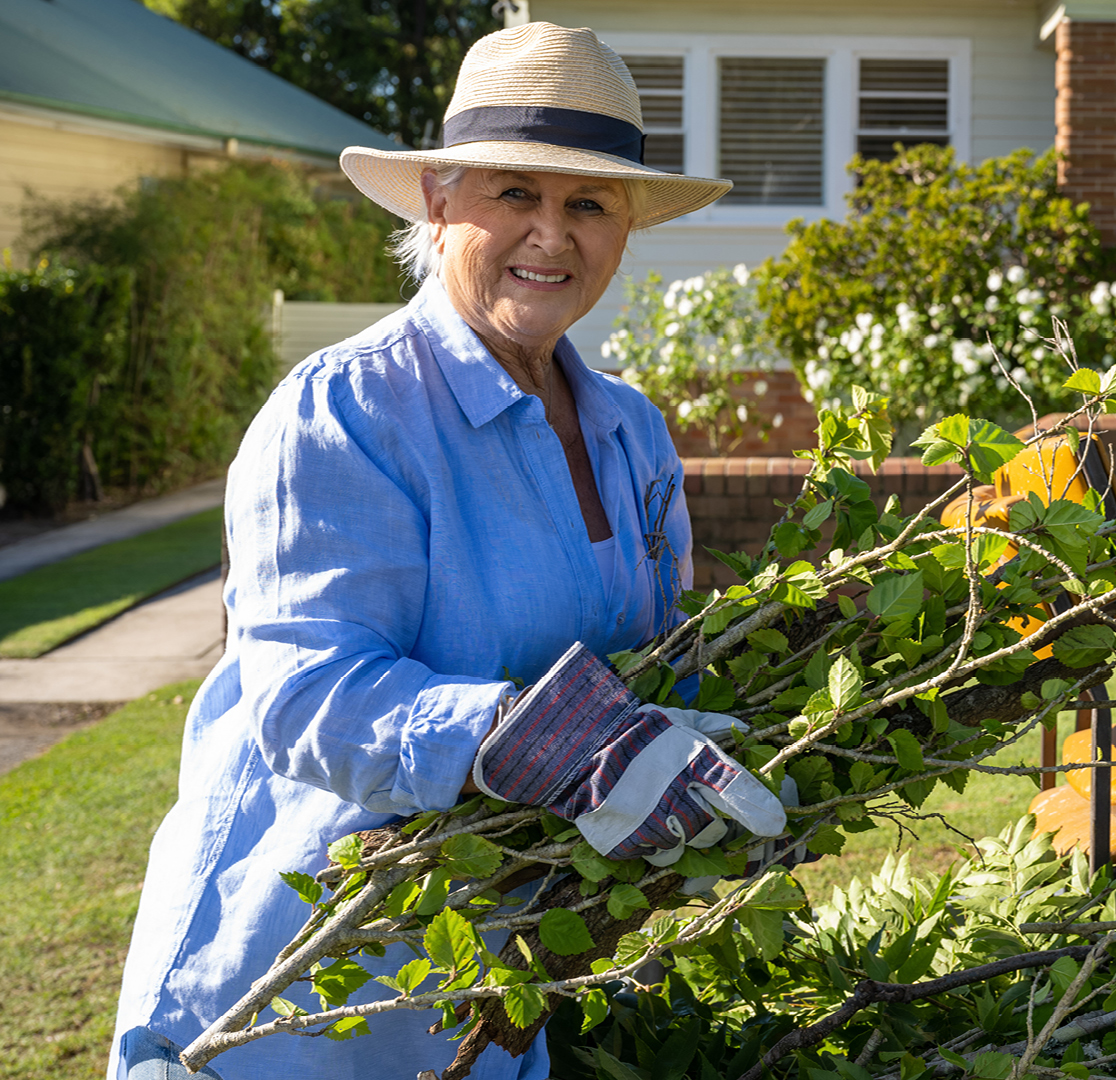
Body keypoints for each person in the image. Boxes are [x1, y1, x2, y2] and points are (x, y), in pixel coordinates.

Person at [108, 23, 786, 1080]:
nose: (551, 235)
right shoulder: (347, 412)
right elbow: (310, 698)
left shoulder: (629, 433)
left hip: (489, 992)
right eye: (515, 194)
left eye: (588, 203)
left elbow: (654, 667)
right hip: (297, 993)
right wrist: (538, 739)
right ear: (438, 202)